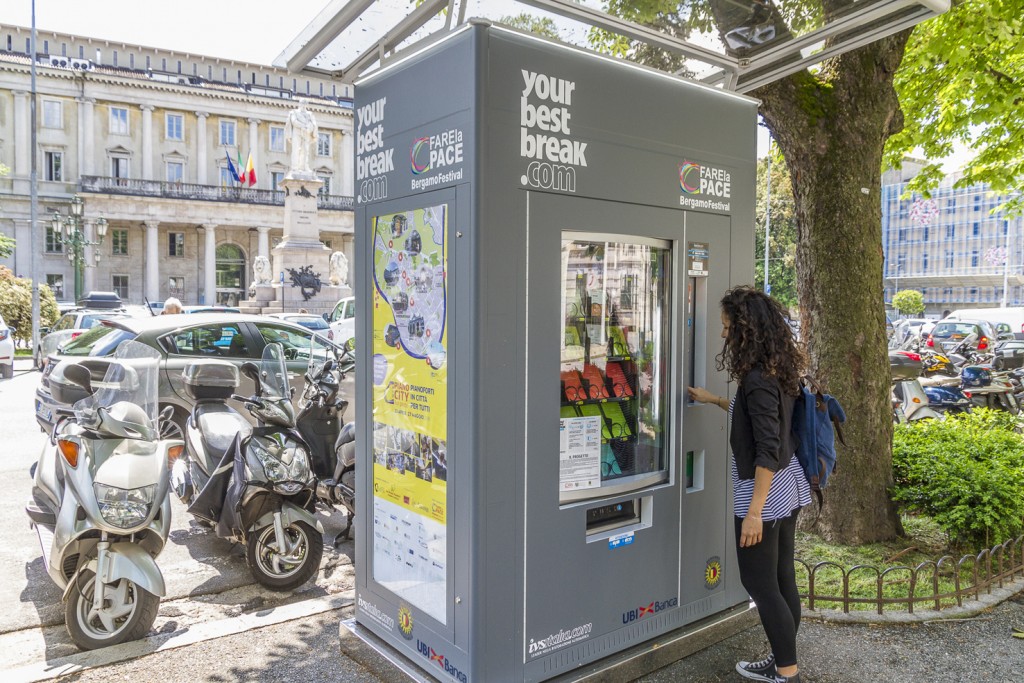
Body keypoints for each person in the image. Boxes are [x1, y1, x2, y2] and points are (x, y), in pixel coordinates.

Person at [687, 286, 808, 683]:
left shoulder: (756, 377)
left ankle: (784, 669)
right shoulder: (777, 367)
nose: (722, 335)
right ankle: (783, 657)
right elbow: (761, 420)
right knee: (782, 576)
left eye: (726, 327)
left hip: (764, 491)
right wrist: (712, 400)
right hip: (789, 483)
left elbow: (766, 447)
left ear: (745, 328)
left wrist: (754, 512)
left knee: (758, 581)